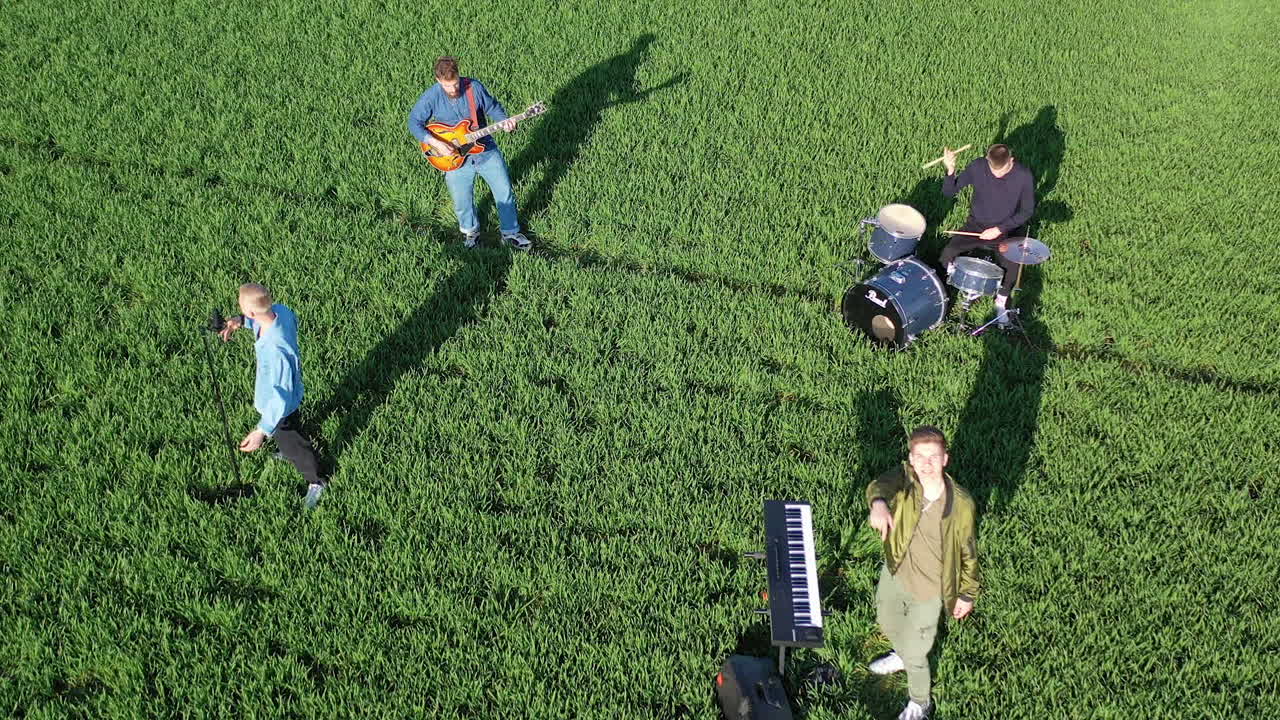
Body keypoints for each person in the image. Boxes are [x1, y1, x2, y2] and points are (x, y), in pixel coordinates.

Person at [865, 426, 979, 720]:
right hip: (896, 571)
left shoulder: (961, 504)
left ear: (945, 459)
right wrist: (878, 504)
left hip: (930, 589)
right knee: (887, 620)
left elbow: (967, 550)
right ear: (911, 460)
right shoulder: (906, 479)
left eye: (934, 456)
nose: (927, 464)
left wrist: (967, 593)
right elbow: (880, 485)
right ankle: (901, 653)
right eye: (920, 456)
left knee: (918, 653)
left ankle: (920, 702)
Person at [219, 283, 325, 508]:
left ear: (251, 311)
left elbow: (280, 399)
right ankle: (287, 449)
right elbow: (262, 319)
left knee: (292, 439)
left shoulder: (276, 349)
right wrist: (241, 321)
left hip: (279, 406)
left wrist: (261, 431)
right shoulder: (280, 312)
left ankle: (315, 480)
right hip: (289, 394)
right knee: (290, 425)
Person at [408, 56, 531, 251]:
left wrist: (505, 121)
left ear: (459, 75)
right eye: (448, 87)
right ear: (438, 80)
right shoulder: (431, 96)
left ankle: (510, 233)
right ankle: (471, 233)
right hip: (454, 159)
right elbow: (414, 122)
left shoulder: (474, 88)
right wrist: (435, 143)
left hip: (485, 150)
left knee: (504, 191)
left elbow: (493, 107)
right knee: (462, 199)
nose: (454, 90)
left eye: (456, 84)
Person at [938, 143, 1035, 324]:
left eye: (1003, 170)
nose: (997, 174)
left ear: (1011, 160)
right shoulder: (978, 166)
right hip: (975, 225)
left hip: (1006, 229)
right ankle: (953, 282)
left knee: (1012, 266)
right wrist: (950, 169)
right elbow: (948, 192)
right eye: (992, 170)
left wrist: (999, 229)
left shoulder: (1023, 176)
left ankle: (1001, 300)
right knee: (947, 254)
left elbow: (1027, 211)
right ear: (987, 161)